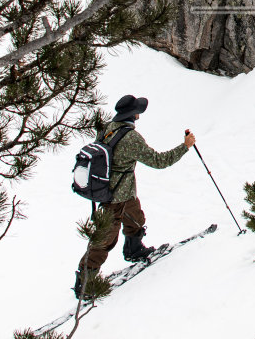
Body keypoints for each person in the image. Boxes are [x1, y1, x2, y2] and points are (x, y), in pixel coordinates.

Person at [74, 94, 196, 299]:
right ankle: (85, 282)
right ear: (134, 115)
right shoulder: (131, 138)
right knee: (105, 240)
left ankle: (134, 249)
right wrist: (185, 147)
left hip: (119, 190)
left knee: (136, 218)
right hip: (114, 196)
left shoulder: (106, 127)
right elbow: (159, 161)